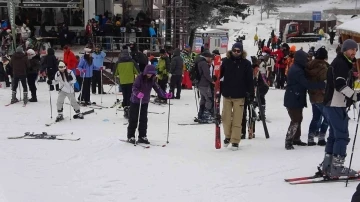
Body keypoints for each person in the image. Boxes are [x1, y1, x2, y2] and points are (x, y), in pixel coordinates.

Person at [320, 39, 359, 177]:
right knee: (342, 136)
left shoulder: (342, 62)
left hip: (331, 104)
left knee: (334, 135)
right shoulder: (342, 63)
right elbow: (340, 84)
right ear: (344, 50)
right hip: (336, 104)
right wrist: (354, 96)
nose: (354, 52)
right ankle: (337, 167)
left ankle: (328, 164)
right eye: (351, 49)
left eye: (355, 49)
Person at [284, 50, 326, 150]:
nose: (307, 61)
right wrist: (321, 84)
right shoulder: (297, 70)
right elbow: (306, 84)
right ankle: (289, 140)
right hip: (293, 98)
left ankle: (296, 138)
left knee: (299, 118)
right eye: (306, 59)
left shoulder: (298, 67)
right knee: (295, 119)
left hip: (296, 97)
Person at [220, 42, 254, 150]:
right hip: (227, 94)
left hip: (240, 95)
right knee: (225, 118)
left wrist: (250, 93)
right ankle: (227, 136)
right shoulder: (225, 62)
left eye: (238, 51)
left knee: (237, 119)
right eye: (234, 50)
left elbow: (250, 80)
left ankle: (235, 140)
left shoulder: (246, 64)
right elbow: (219, 76)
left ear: (241, 51)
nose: (236, 52)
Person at [127, 65, 172, 144]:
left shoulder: (153, 80)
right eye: (148, 73)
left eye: (151, 74)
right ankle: (131, 136)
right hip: (136, 101)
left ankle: (142, 136)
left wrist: (165, 95)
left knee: (143, 119)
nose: (150, 75)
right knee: (133, 119)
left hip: (144, 102)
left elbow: (158, 89)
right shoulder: (139, 78)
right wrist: (137, 94)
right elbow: (134, 88)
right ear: (145, 72)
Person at [305, 46, 329, 146]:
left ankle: (310, 138)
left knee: (315, 117)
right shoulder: (324, 68)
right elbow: (325, 83)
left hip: (312, 95)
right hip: (322, 97)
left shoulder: (309, 66)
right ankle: (321, 137)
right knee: (328, 118)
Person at [114, 47, 139, 118]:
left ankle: (125, 109)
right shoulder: (132, 61)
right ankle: (130, 109)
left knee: (125, 96)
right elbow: (137, 71)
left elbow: (115, 73)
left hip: (123, 81)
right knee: (131, 95)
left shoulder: (118, 62)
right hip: (131, 81)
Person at [196, 51, 214, 123]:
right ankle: (206, 115)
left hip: (200, 84)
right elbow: (206, 74)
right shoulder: (203, 63)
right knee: (208, 99)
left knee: (203, 99)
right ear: (206, 57)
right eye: (210, 58)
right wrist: (212, 81)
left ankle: (200, 114)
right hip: (205, 84)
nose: (211, 59)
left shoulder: (199, 61)